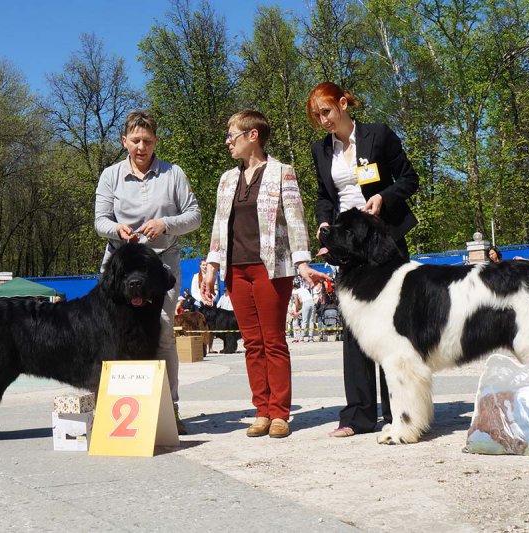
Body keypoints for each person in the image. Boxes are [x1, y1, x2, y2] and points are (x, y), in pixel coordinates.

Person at [201, 110, 326, 439]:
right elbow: (218, 225)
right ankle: (261, 410)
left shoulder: (282, 172)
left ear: (252, 135)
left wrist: (302, 263)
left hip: (272, 269)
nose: (228, 141)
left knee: (273, 340)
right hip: (236, 270)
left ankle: (280, 412)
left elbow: (296, 220)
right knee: (252, 343)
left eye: (232, 135)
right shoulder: (227, 179)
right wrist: (212, 266)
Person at [308, 82, 419, 438]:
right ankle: (357, 415)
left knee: (392, 329)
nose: (323, 120)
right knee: (354, 329)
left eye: (327, 111)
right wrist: (324, 222)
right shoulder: (321, 150)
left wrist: (384, 198)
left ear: (343, 104)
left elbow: (410, 179)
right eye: (317, 116)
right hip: (348, 246)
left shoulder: (378, 135)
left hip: (384, 241)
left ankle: (398, 410)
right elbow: (325, 196)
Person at [94, 110, 201, 434]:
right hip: (120, 266)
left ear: (156, 141)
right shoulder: (110, 175)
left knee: (163, 334)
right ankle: (113, 410)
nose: (141, 147)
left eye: (148, 141)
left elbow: (194, 216)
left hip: (160, 266)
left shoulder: (173, 173)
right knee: (113, 335)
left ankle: (170, 409)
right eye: (135, 140)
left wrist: (166, 223)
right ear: (124, 141)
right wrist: (117, 229)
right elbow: (100, 221)